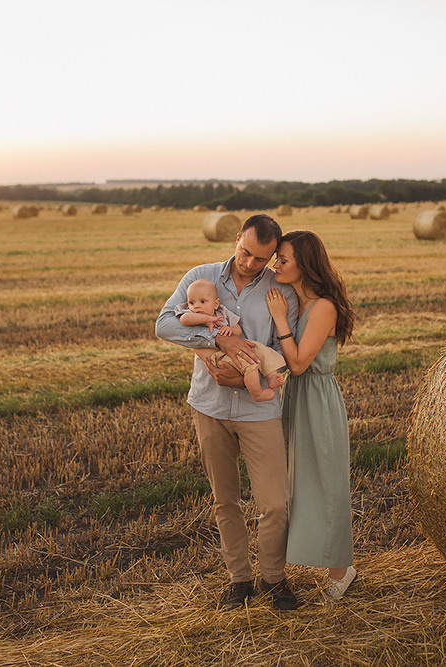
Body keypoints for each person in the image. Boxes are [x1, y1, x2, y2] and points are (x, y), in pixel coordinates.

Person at [155, 214, 300, 611]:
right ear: (236, 238)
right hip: (209, 406)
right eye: (246, 252)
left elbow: (283, 354)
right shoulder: (200, 276)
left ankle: (274, 578)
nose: (251, 263)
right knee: (226, 500)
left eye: (261, 258)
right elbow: (165, 325)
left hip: (259, 410)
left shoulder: (279, 292)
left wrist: (240, 376)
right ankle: (240, 581)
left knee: (274, 503)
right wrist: (215, 338)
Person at [265, 229, 358, 601]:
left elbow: (301, 363)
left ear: (304, 265)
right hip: (298, 399)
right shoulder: (299, 302)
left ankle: (341, 570)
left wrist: (280, 319)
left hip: (318, 401)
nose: (276, 264)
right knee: (301, 483)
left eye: (283, 259)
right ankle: (323, 558)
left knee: (326, 483)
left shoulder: (323, 307)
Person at [175, 278, 287, 403]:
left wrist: (230, 329)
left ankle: (271, 376)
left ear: (216, 303)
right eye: (191, 302)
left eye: (202, 301)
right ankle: (257, 393)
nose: (196, 306)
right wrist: (205, 319)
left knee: (260, 350)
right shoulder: (192, 315)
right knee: (249, 364)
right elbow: (184, 319)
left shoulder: (222, 312)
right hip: (218, 355)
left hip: (236, 346)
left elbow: (237, 330)